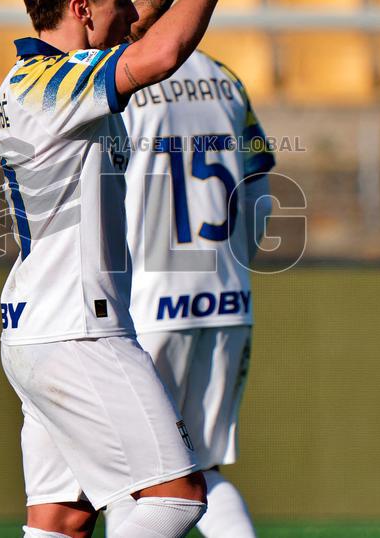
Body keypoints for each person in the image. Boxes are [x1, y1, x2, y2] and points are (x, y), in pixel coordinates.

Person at [0, 0, 254, 538]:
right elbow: (158, 55)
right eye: (119, 1)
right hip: (81, 330)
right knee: (177, 497)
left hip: (39, 330)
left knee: (62, 519)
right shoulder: (56, 85)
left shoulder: (43, 78)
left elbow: (132, 38)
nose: (130, 13)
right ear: (81, 8)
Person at [106, 51, 275, 537]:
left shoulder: (121, 77)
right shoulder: (223, 77)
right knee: (203, 467)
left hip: (145, 305)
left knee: (135, 481)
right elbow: (259, 190)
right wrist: (233, 266)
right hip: (227, 300)